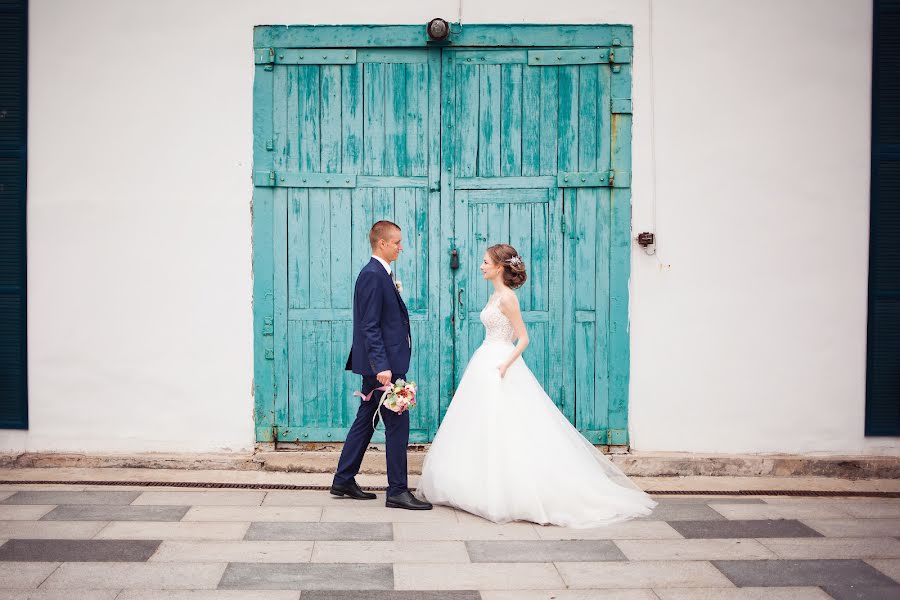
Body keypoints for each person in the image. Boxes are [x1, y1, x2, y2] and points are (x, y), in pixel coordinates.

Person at [415, 243, 656, 527]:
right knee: (482, 424)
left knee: (507, 425)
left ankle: (511, 491)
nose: (481, 266)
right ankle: (478, 486)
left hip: (500, 361)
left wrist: (506, 364)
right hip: (486, 359)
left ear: (500, 267)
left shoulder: (507, 299)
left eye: (485, 262)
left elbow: (523, 338)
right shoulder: (495, 296)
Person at [330, 220, 432, 510]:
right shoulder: (373, 275)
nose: (401, 247)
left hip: (382, 364)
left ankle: (343, 478)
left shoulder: (380, 274)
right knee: (398, 426)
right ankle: (398, 491)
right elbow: (369, 325)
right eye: (397, 242)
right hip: (384, 368)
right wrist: (382, 366)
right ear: (382, 244)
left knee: (366, 421)